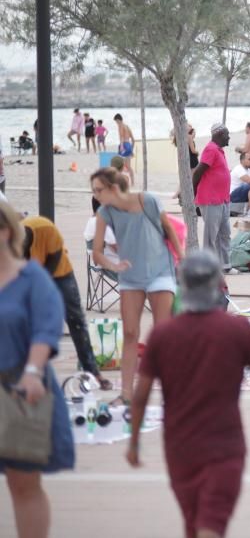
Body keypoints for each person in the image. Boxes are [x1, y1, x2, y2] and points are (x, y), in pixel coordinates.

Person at [127, 251, 250, 538]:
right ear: (216, 286)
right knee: (211, 522)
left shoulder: (162, 334)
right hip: (225, 445)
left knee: (193, 521)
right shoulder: (237, 329)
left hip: (180, 447)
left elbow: (140, 396)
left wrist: (135, 442)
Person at [0, 202, 75, 538]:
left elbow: (46, 329)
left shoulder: (32, 279)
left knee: (23, 482)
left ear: (5, 233)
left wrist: (32, 371)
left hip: (20, 387)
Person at [91, 167, 181, 404]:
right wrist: (114, 266)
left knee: (162, 332)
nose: (96, 195)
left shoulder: (147, 200)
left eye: (98, 190)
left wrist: (183, 260)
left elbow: (169, 229)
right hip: (130, 277)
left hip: (161, 271)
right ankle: (126, 394)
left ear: (113, 188)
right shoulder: (104, 212)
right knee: (130, 333)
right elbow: (97, 252)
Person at [21, 214, 113, 390]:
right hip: (32, 274)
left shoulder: (45, 228)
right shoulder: (11, 244)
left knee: (75, 320)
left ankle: (93, 371)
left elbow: (52, 262)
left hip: (60, 273)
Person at [192, 123, 232, 270]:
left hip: (223, 200)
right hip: (211, 200)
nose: (229, 137)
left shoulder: (219, 150)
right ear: (220, 135)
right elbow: (198, 172)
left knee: (225, 234)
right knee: (211, 237)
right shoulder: (211, 149)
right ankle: (208, 268)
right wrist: (192, 194)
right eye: (227, 134)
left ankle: (225, 265)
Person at [113, 113, 136, 179]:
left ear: (118, 120)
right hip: (128, 145)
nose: (116, 123)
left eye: (116, 121)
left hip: (124, 145)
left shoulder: (120, 126)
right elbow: (133, 140)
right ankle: (132, 182)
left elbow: (121, 137)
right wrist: (131, 149)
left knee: (118, 164)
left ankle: (119, 180)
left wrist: (122, 147)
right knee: (128, 166)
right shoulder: (127, 126)